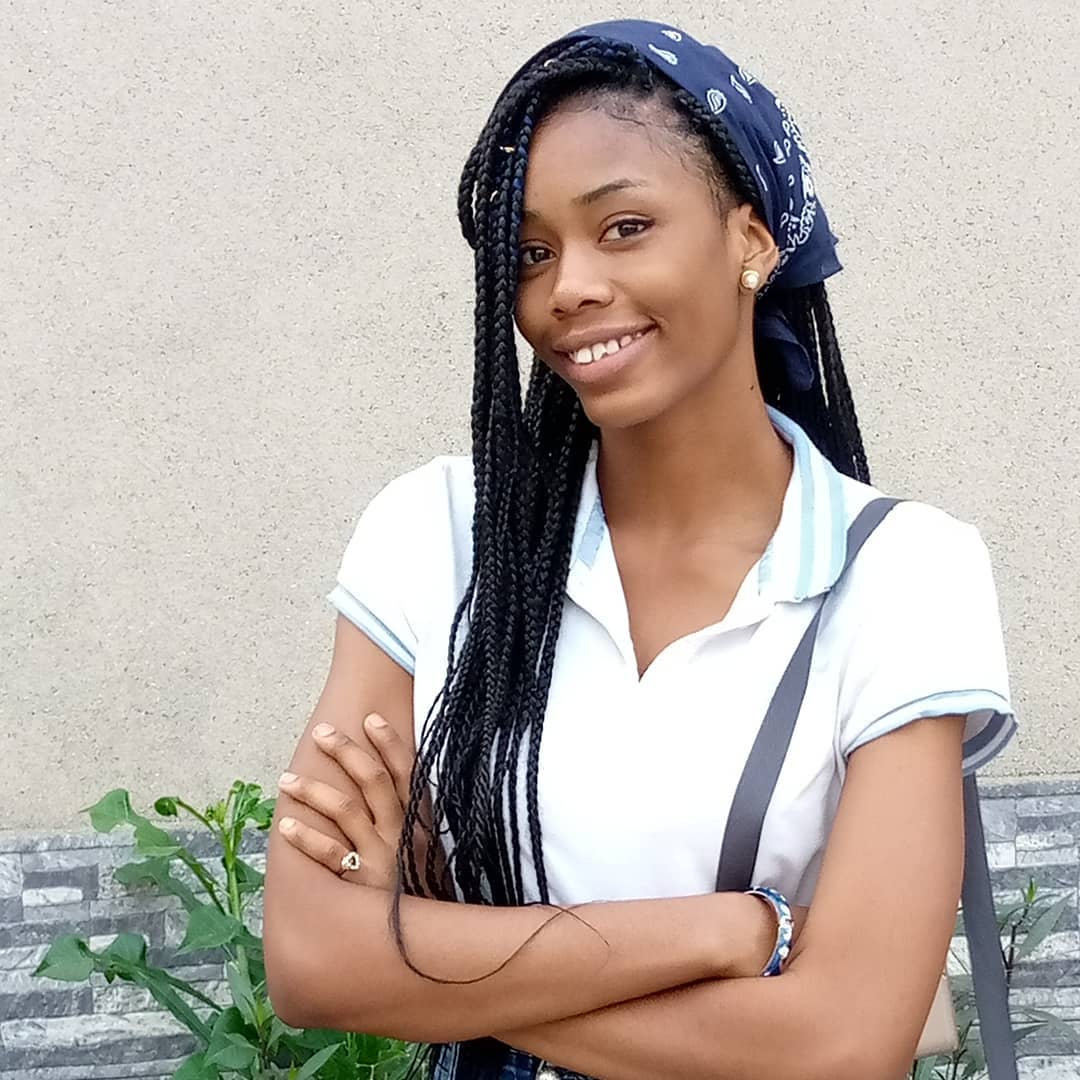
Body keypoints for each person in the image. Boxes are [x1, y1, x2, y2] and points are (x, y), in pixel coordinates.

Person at [263, 19, 1015, 1080]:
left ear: (752, 242)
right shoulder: (438, 532)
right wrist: (738, 927)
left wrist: (428, 969)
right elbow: (311, 959)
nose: (566, 286)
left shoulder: (903, 572)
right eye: (532, 252)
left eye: (623, 227)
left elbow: (845, 1044)